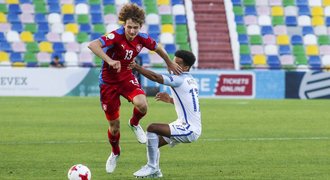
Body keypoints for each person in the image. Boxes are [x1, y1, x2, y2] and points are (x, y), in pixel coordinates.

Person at [87, 3, 182, 174]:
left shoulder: (142, 38)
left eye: (135, 28)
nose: (132, 31)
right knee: (114, 126)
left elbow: (158, 48)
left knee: (143, 105)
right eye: (129, 27)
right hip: (108, 84)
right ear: (124, 24)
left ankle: (134, 123)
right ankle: (115, 152)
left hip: (126, 78)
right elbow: (93, 45)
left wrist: (169, 62)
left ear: (140, 27)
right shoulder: (116, 35)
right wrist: (109, 61)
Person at [129, 50, 201, 178]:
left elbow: (156, 77)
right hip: (186, 125)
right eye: (172, 61)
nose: (172, 65)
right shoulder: (191, 80)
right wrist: (171, 100)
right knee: (153, 142)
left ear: (185, 68)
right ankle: (155, 171)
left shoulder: (179, 79)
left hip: (189, 129)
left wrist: (136, 67)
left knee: (152, 128)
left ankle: (151, 167)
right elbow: (190, 104)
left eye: (177, 63)